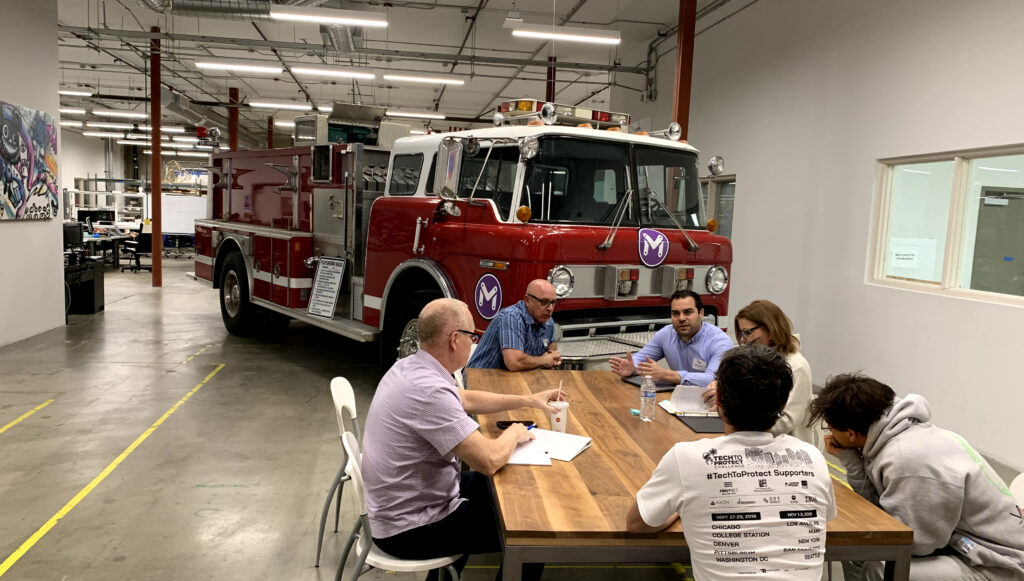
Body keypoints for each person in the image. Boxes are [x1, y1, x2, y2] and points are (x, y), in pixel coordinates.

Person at [361, 298, 562, 581]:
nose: (474, 341)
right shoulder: (429, 392)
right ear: (455, 339)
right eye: (472, 336)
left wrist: (528, 400)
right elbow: (489, 460)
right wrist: (515, 431)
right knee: (535, 534)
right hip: (409, 528)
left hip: (401, 503)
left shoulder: (411, 367)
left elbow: (464, 398)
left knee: (491, 490)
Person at [626, 345, 836, 580]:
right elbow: (823, 519)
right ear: (784, 403)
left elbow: (637, 524)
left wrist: (676, 511)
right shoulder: (812, 458)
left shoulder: (686, 459)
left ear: (718, 399)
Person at [808, 374, 1024, 581]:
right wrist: (852, 461)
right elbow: (879, 516)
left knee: (882, 569)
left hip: (999, 565)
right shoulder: (901, 435)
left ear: (851, 433)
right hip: (965, 545)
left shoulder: (906, 460)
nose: (830, 434)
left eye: (831, 428)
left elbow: (908, 542)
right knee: (857, 553)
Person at [708, 299, 815, 443]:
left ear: (770, 330)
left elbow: (787, 421)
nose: (744, 340)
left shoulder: (798, 366)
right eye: (741, 333)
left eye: (748, 332)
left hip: (784, 446)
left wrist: (739, 429)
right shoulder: (757, 361)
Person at [608, 290, 732, 386]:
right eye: (675, 313)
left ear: (701, 313)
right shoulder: (667, 333)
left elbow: (712, 380)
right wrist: (632, 367)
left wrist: (666, 374)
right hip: (676, 398)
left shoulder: (720, 343)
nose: (681, 318)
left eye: (688, 312)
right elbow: (641, 359)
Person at [467, 279, 561, 371]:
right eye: (544, 302)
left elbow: (551, 349)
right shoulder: (512, 317)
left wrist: (552, 358)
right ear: (527, 300)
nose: (550, 308)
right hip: (480, 379)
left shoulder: (548, 321)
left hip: (514, 380)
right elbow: (514, 363)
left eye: (553, 302)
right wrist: (544, 360)